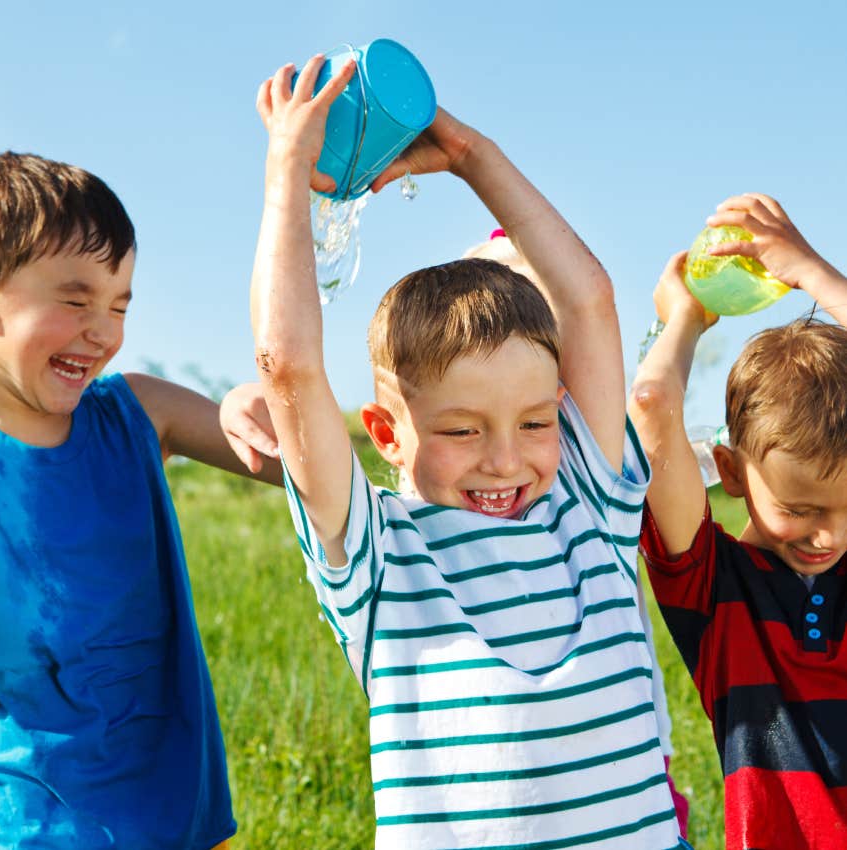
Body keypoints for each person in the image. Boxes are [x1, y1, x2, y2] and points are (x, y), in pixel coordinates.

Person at [239, 53, 688, 849]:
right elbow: (290, 366)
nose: (507, 461)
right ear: (387, 434)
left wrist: (469, 156)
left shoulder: (589, 502)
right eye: (461, 430)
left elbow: (589, 300)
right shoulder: (377, 555)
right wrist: (286, 171)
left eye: (536, 423)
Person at [0, 151, 279, 849]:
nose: (104, 330)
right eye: (75, 299)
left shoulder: (139, 415)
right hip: (33, 827)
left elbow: (295, 465)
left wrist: (259, 399)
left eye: (120, 305)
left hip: (178, 819)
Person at [629, 192, 847, 850]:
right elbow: (650, 404)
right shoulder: (714, 587)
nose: (829, 535)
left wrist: (813, 272)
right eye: (798, 509)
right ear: (728, 470)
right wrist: (686, 319)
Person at [463, 229, 690, 839]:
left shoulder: (592, 474)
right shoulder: (454, 477)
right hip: (495, 791)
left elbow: (595, 312)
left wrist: (685, 321)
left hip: (621, 775)